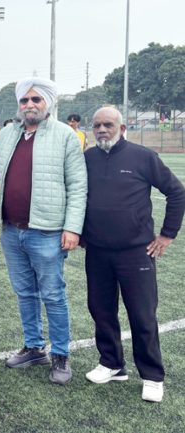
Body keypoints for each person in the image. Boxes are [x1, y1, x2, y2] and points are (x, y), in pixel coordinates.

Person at [0, 78, 86, 385]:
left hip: (48, 232)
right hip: (12, 231)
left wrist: (72, 227)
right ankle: (33, 347)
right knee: (24, 292)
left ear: (48, 104)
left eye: (36, 100)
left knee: (53, 295)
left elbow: (78, 186)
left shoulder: (65, 135)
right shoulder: (6, 134)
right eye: (25, 100)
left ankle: (61, 355)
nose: (30, 105)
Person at [82, 107, 185, 402]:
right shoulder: (87, 158)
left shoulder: (143, 157)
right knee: (101, 310)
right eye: (97, 125)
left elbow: (177, 193)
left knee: (141, 314)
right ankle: (112, 364)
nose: (102, 129)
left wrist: (167, 235)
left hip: (136, 252)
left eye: (108, 125)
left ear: (122, 127)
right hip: (97, 251)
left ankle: (152, 375)